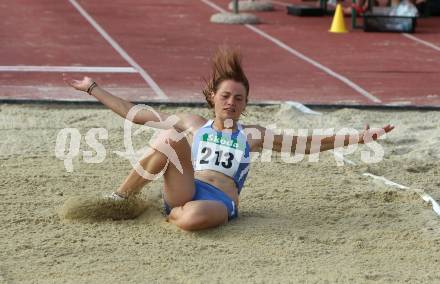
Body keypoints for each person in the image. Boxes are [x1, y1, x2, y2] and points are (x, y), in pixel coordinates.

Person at [65, 47, 394, 231]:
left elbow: (307, 144)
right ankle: (120, 199)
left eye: (239, 98)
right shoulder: (194, 123)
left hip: (219, 202)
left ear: (245, 103)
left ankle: (170, 215)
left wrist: (360, 137)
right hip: (186, 187)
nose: (231, 103)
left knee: (192, 218)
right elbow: (134, 113)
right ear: (213, 97)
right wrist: (94, 88)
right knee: (169, 134)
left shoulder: (252, 136)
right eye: (226, 96)